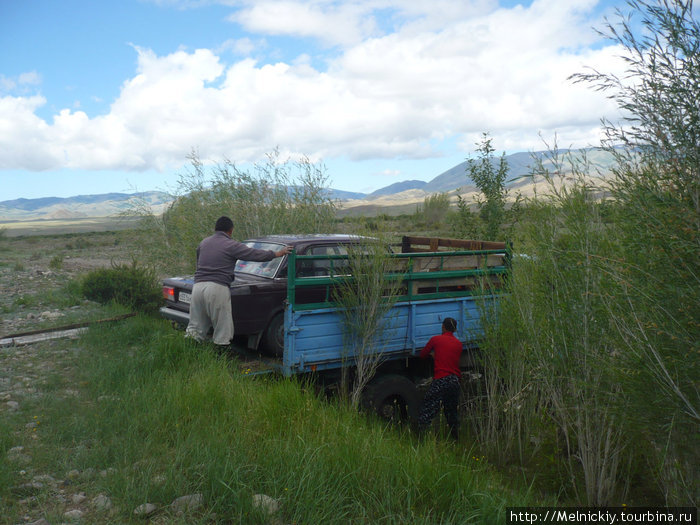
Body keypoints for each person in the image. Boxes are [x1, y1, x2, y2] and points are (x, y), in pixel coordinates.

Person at [185, 216, 292, 347]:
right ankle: (220, 360)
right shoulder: (231, 245)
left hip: (197, 287)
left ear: (215, 229)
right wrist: (277, 254)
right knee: (222, 328)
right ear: (230, 230)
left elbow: (199, 263)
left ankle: (189, 355)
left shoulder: (204, 243)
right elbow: (254, 254)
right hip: (217, 288)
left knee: (195, 327)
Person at [417, 317, 463, 441]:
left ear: (443, 327)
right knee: (452, 412)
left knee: (427, 408)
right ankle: (456, 439)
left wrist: (433, 355)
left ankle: (422, 439)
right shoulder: (459, 344)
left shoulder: (436, 339)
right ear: (454, 329)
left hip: (441, 380)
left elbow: (422, 354)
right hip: (454, 381)